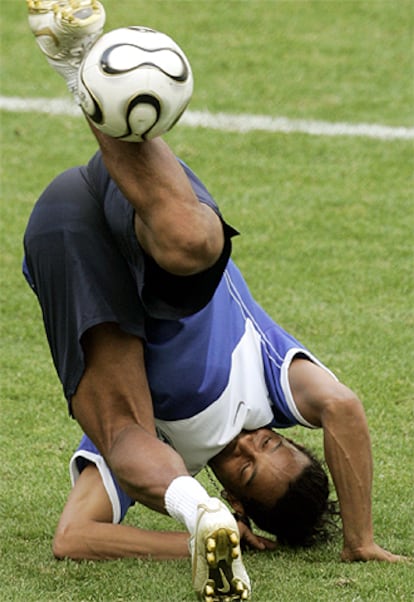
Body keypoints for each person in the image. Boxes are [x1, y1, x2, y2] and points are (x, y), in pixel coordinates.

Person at [24, 1, 405, 600]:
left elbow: (73, 537)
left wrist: (198, 529)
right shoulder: (272, 379)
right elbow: (344, 409)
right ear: (284, 428)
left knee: (127, 436)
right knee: (194, 245)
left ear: (236, 499)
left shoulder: (171, 452)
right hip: (151, 213)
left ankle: (191, 509)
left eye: (249, 469)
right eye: (273, 442)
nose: (252, 443)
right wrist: (359, 537)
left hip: (64, 224)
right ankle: (79, 71)